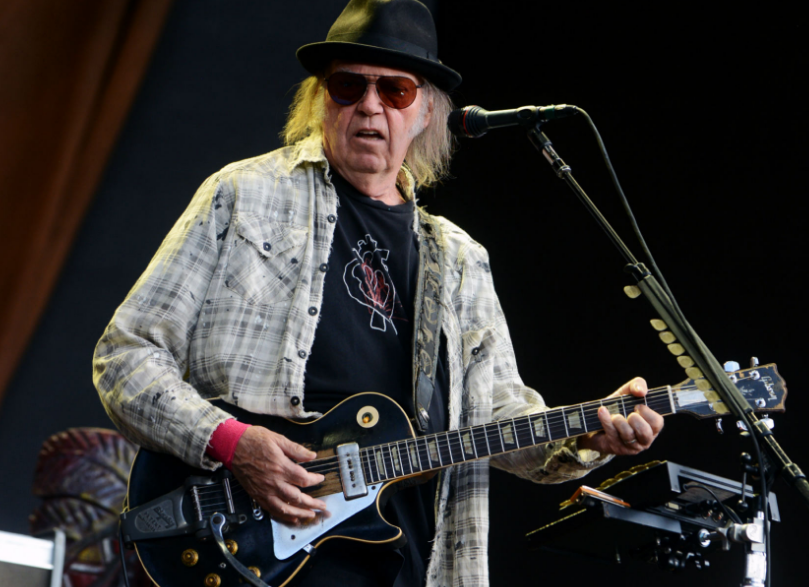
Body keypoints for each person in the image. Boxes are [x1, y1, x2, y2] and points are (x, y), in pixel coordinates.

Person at [93, 1, 664, 586]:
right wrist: (233, 443)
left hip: (404, 560)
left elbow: (499, 419)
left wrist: (589, 435)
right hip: (244, 545)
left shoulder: (460, 258)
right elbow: (125, 357)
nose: (370, 105)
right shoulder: (242, 196)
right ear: (320, 100)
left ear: (425, 113)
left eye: (394, 91)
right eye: (348, 86)